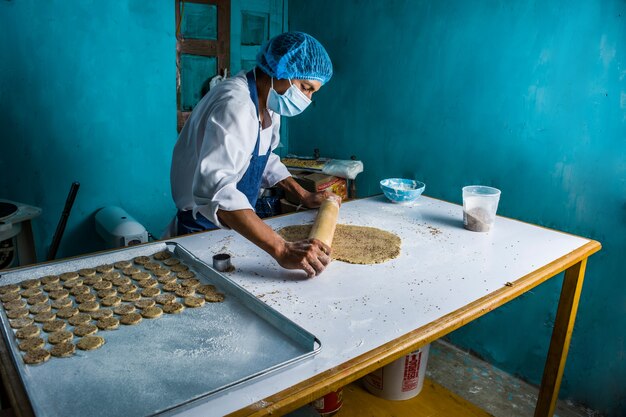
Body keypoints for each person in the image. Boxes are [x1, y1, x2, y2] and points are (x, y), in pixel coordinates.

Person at [170, 31, 337, 278]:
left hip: (233, 227)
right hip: (203, 230)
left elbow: (264, 158)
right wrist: (281, 248)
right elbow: (216, 190)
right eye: (305, 87)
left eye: (312, 92)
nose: (306, 99)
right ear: (279, 69)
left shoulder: (269, 101)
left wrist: (303, 195)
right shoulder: (235, 104)